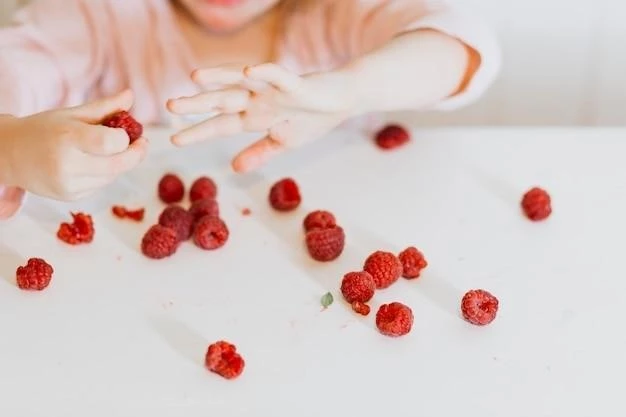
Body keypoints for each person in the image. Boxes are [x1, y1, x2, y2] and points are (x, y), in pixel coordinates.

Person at [0, 0, 501, 219]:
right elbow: (14, 67)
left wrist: (351, 89)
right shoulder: (101, 12)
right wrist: (12, 145)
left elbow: (462, 46)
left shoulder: (335, 12)